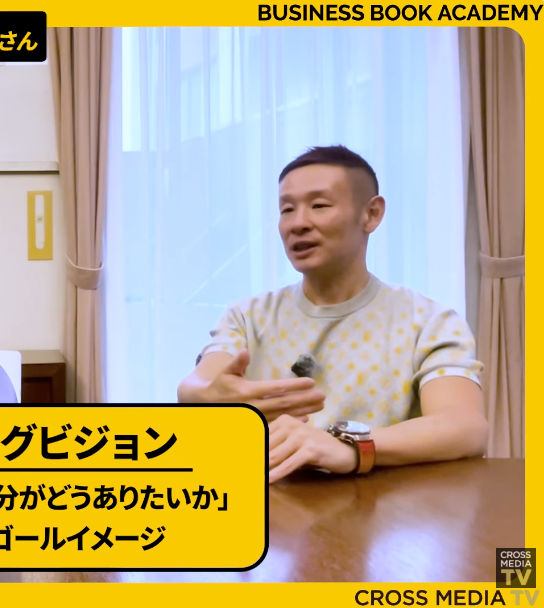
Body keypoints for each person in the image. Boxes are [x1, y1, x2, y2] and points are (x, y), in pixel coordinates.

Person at [177, 145, 488, 483]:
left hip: (384, 508)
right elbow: (199, 384)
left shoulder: (428, 321)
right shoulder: (247, 316)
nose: (298, 223)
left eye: (319, 206)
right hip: (269, 505)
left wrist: (352, 448)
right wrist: (201, 395)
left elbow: (465, 427)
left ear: (371, 214)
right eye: (287, 209)